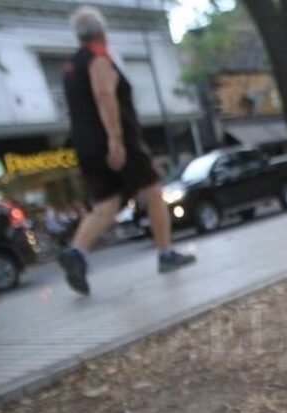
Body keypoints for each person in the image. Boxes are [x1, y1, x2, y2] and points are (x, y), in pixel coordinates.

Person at [57, 5, 195, 295]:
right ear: (102, 31)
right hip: (116, 142)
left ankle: (76, 253)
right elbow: (104, 95)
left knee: (105, 205)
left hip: (85, 145)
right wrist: (116, 139)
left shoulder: (71, 67)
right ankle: (166, 254)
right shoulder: (98, 59)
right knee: (153, 192)